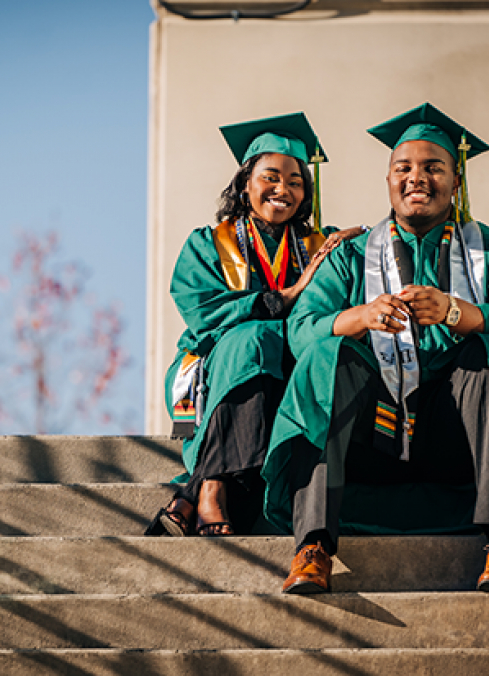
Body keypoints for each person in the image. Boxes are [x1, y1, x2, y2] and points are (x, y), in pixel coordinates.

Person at [261, 102, 489, 592]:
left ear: (456, 182)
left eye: (433, 167)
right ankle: (312, 544)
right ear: (388, 181)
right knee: (324, 354)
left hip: (455, 438)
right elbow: (301, 330)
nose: (417, 178)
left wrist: (457, 313)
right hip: (373, 434)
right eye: (404, 168)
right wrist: (358, 317)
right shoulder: (351, 256)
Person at [145, 112, 364, 537]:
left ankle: (198, 493)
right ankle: (210, 490)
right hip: (215, 368)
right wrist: (282, 298)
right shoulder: (208, 243)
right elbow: (203, 312)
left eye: (296, 181)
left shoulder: (322, 246)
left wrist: (364, 241)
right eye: (270, 177)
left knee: (272, 343)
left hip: (288, 369)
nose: (283, 189)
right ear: (245, 183)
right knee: (255, 338)